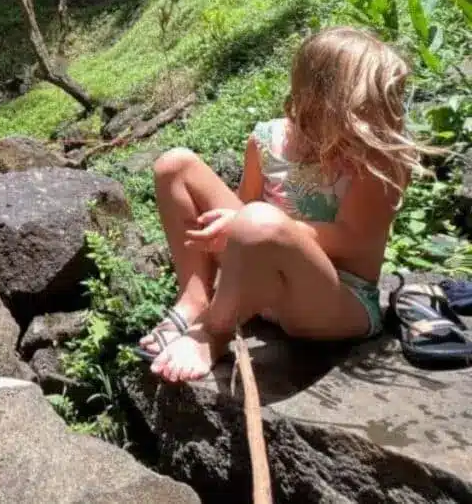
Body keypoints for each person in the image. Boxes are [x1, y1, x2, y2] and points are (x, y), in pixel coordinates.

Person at [138, 26, 425, 383]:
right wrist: (234, 230)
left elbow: (355, 238)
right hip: (265, 282)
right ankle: (195, 298)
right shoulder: (266, 140)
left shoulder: (377, 159)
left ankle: (214, 331)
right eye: (372, 106)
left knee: (259, 220)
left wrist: (255, 224)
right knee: (175, 165)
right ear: (321, 98)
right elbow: (247, 211)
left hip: (333, 299)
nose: (385, 116)